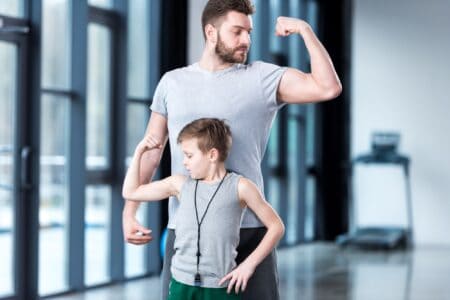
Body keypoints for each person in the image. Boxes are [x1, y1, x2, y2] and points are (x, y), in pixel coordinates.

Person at [122, 0, 342, 299]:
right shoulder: (172, 83)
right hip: (187, 231)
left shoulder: (263, 78)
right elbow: (152, 148)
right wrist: (130, 211)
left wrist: (305, 30)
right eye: (237, 31)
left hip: (249, 231)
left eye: (249, 32)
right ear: (210, 32)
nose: (246, 40)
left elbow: (327, 87)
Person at [123, 118, 285, 300]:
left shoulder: (241, 187)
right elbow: (131, 191)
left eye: (189, 156)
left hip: (221, 288)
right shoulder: (179, 184)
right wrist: (138, 153)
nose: (184, 162)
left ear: (212, 155)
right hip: (181, 285)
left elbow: (276, 226)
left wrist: (248, 265)